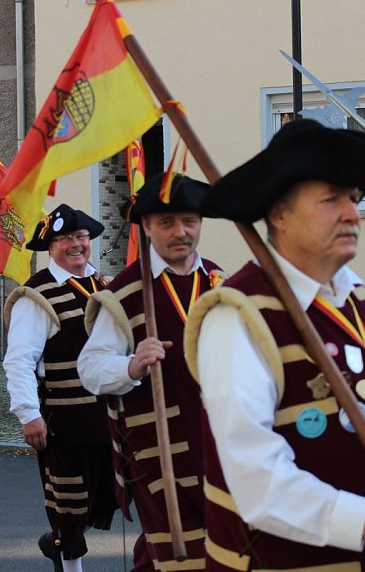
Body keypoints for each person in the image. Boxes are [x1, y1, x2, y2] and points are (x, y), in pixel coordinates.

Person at [186, 118, 365, 570]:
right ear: (279, 215)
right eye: (330, 200)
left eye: (352, 198)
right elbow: (254, 475)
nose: (350, 213)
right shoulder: (238, 315)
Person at [77, 173, 223, 571]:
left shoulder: (222, 284)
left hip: (224, 451)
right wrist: (132, 363)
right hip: (164, 457)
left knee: (226, 555)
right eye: (167, 223)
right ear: (146, 226)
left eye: (190, 221)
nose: (181, 232)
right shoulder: (124, 293)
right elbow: (90, 369)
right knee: (178, 557)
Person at [3, 204, 118, 572]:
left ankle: (54, 543)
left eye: (81, 237)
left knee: (109, 495)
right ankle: (68, 562)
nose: (76, 244)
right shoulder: (36, 296)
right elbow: (19, 360)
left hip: (107, 417)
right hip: (64, 420)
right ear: (49, 246)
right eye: (65, 238)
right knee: (69, 505)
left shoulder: (102, 286)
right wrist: (28, 414)